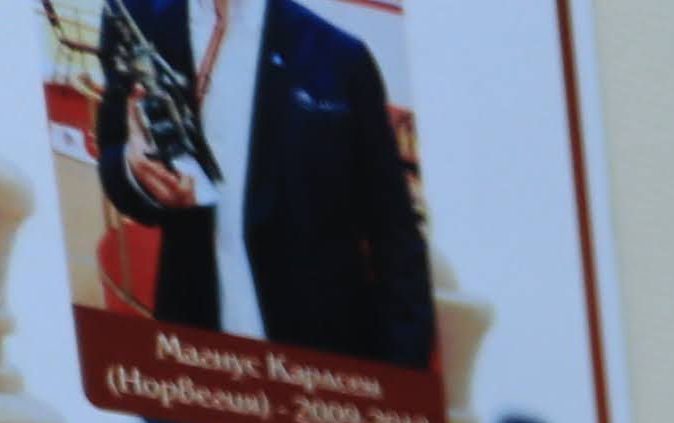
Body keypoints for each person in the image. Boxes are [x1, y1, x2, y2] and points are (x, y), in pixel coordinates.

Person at [91, 0, 436, 372]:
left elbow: (395, 236)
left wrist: (399, 381)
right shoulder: (140, 21)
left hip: (322, 368)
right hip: (195, 358)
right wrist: (135, 170)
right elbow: (115, 159)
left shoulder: (340, 58)